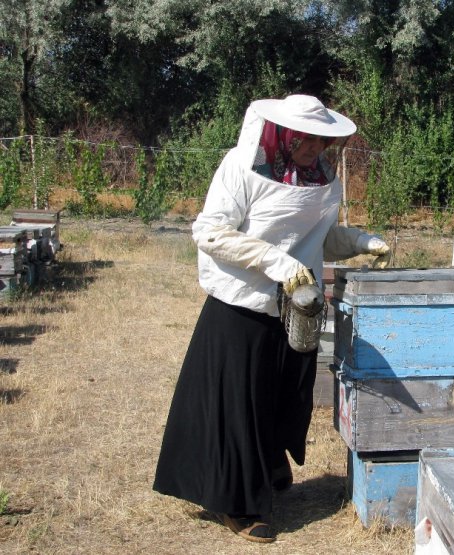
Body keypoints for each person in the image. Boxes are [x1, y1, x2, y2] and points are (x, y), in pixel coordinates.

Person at [152, 94, 390, 543]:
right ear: (283, 133)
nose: (314, 149)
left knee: (281, 397)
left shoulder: (318, 176)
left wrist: (360, 240)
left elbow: (315, 238)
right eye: (306, 140)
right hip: (241, 306)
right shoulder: (241, 168)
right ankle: (238, 505)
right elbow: (208, 231)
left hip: (296, 306)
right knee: (239, 406)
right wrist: (275, 263)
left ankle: (268, 470)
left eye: (322, 141)